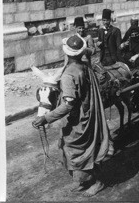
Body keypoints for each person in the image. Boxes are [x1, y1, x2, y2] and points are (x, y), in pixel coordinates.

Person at [32, 35, 112, 197]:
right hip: (87, 113)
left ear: (66, 53)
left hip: (78, 119)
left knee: (78, 149)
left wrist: (46, 118)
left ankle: (98, 181)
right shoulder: (84, 66)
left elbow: (68, 104)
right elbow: (88, 50)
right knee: (80, 148)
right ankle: (83, 179)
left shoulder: (69, 75)